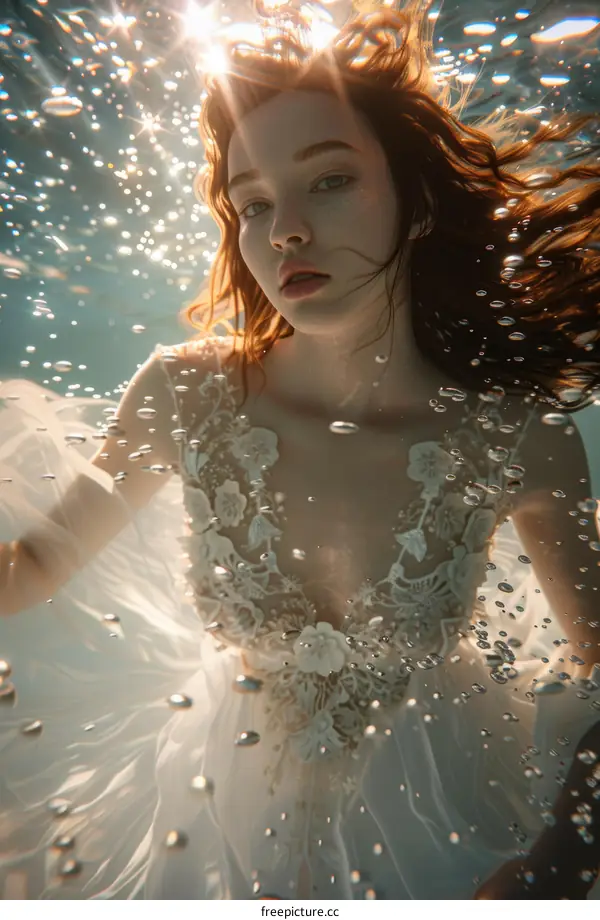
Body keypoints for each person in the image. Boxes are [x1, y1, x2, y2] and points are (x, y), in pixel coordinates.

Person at [1, 0, 600, 900]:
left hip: (455, 813)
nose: (283, 230)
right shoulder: (185, 394)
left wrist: (559, 859)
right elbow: (33, 567)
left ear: (418, 203)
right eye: (253, 202)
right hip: (216, 809)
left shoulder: (521, 437)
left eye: (329, 180)